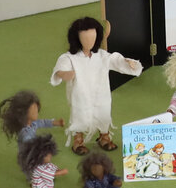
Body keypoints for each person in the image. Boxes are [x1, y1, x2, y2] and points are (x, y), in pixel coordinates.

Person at [50, 16, 141, 155]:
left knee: (103, 113)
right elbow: (60, 69)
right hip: (80, 94)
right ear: (77, 38)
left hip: (101, 94)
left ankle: (104, 136)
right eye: (85, 39)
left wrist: (128, 62)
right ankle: (78, 140)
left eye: (93, 38)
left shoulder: (102, 56)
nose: (90, 42)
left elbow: (116, 60)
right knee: (80, 115)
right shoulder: (70, 58)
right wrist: (64, 74)